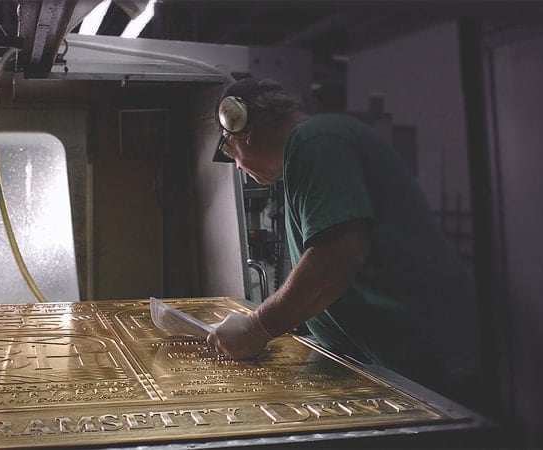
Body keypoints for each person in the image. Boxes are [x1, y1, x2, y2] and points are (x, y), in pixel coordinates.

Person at [206, 77, 483, 407]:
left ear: (240, 127)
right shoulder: (311, 146)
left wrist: (256, 328)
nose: (237, 165)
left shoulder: (314, 140)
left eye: (229, 151)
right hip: (399, 361)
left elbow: (337, 256)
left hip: (427, 361)